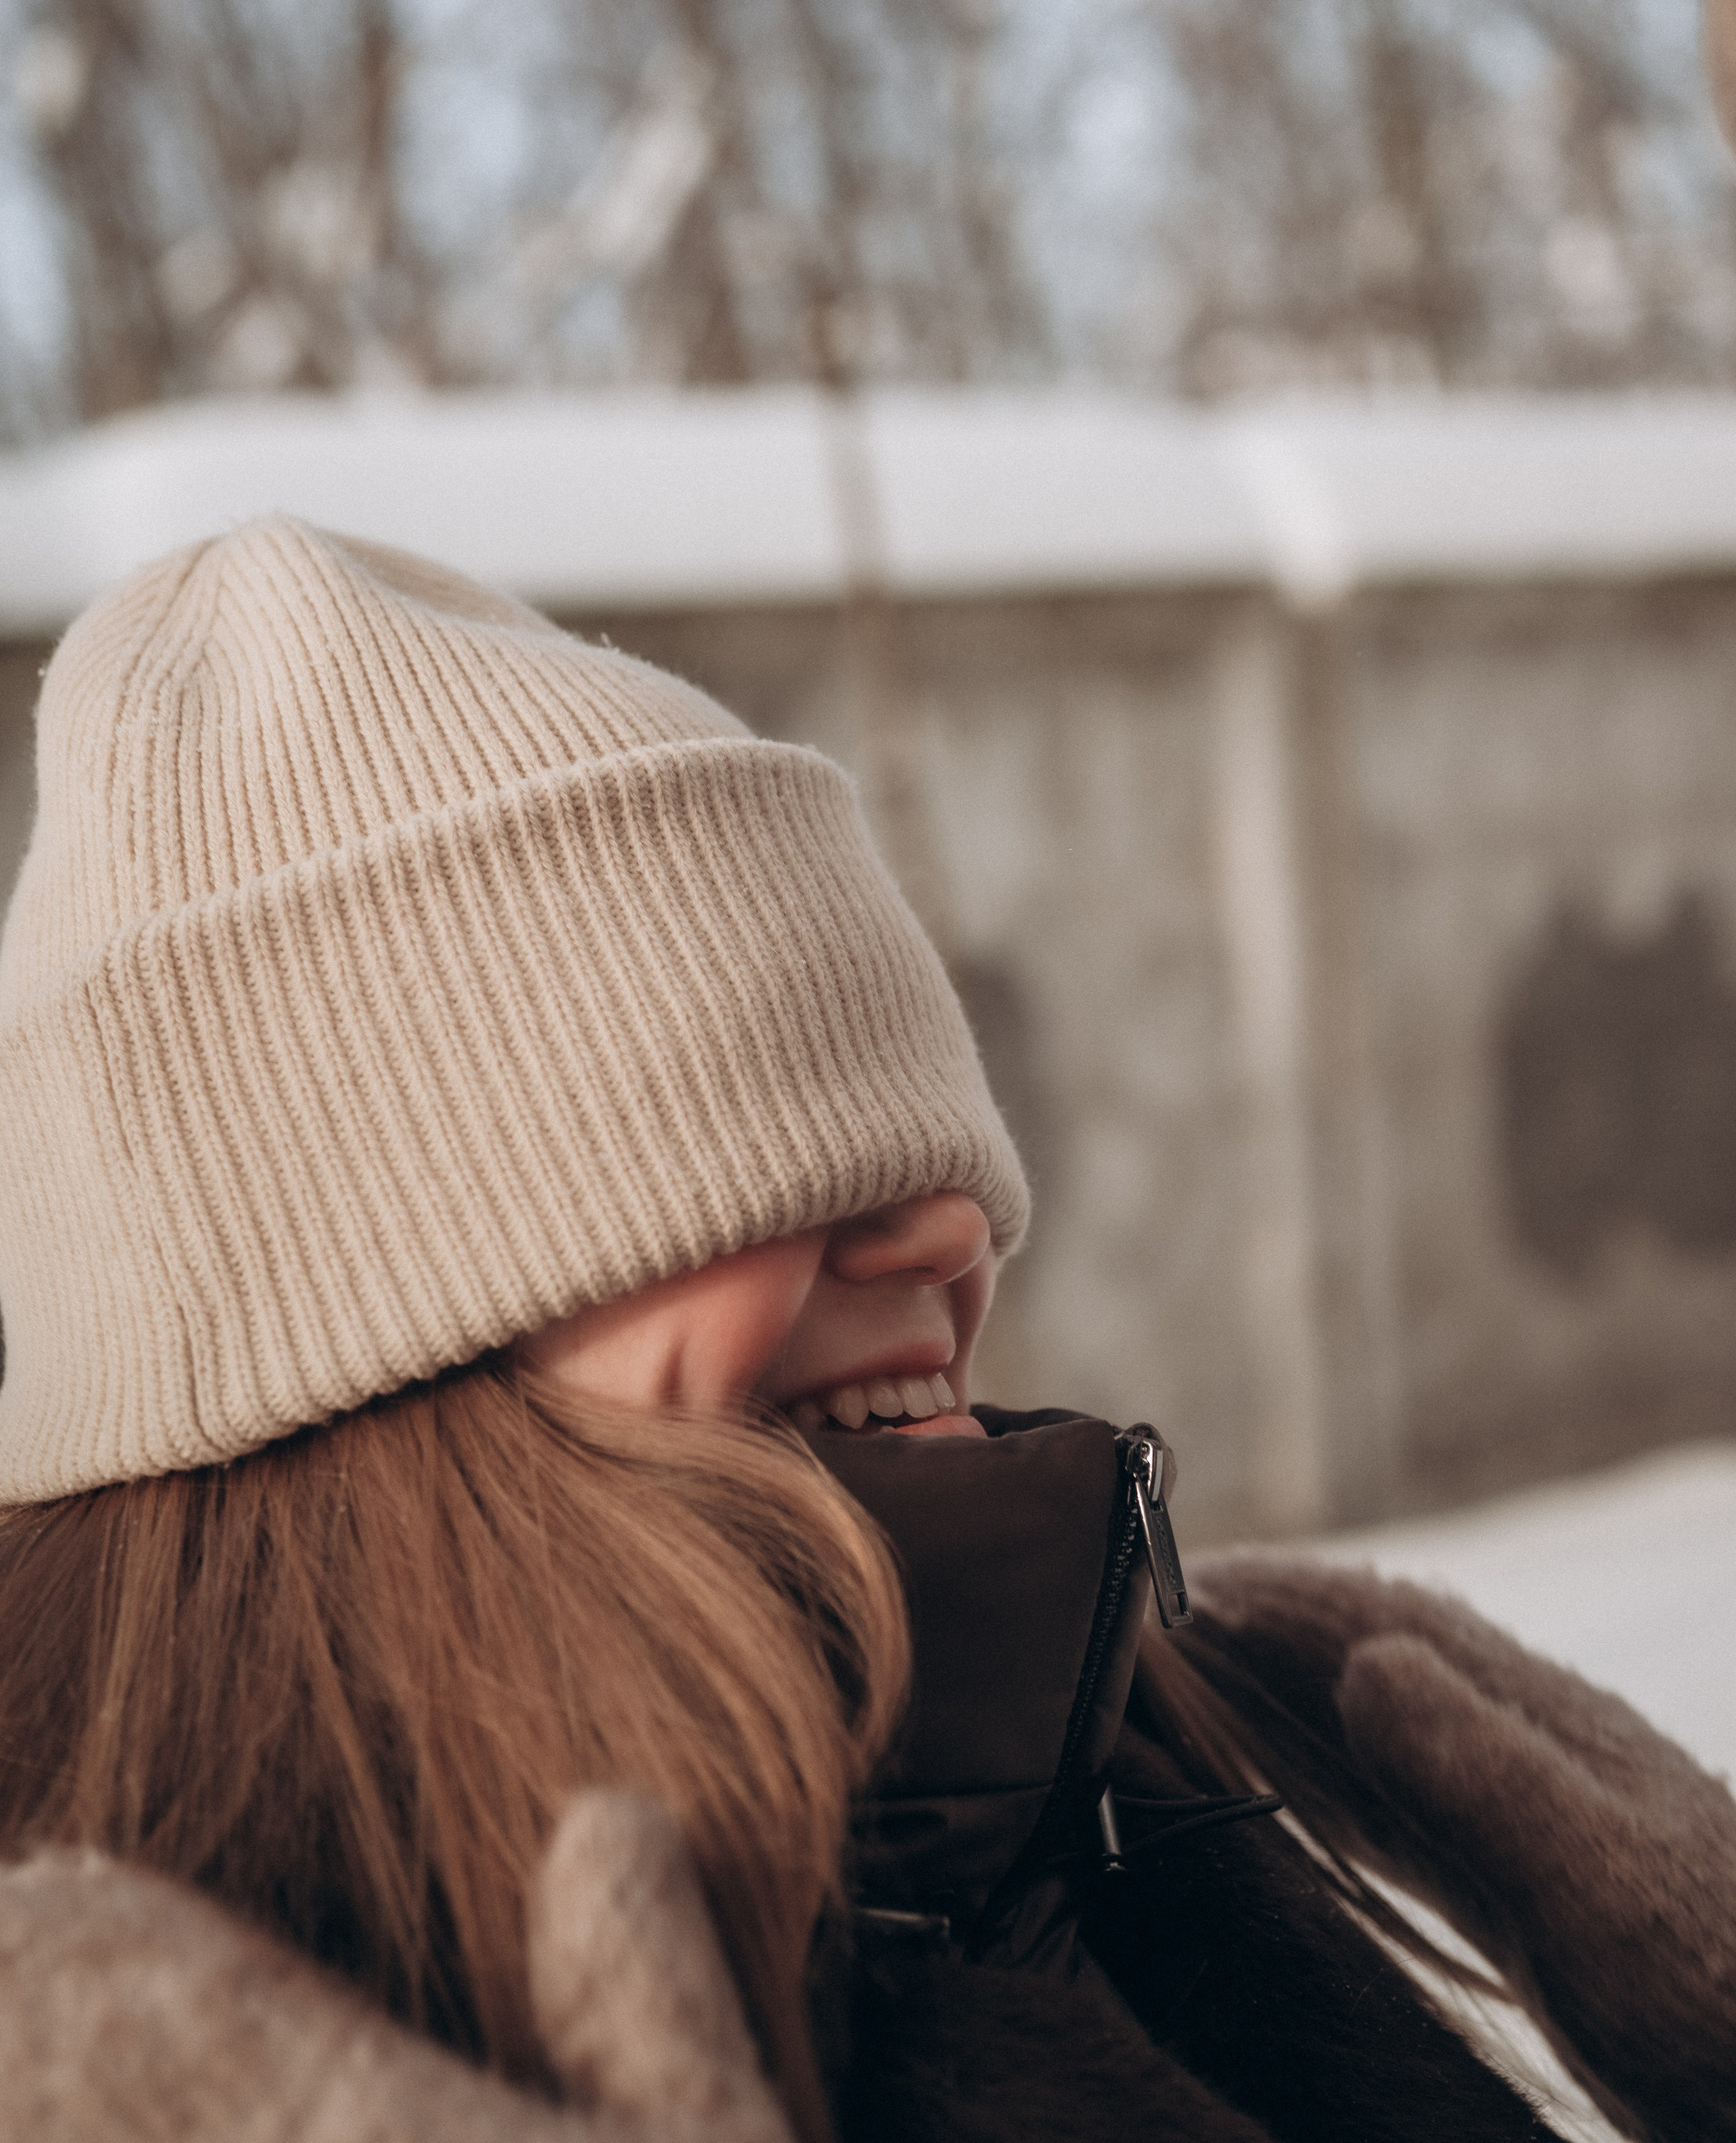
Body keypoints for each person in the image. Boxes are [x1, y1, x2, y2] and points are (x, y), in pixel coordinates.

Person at [0, 519, 1731, 2143]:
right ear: (350, 1321)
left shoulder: (1130, 1823)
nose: (954, 1227)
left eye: (914, 1142)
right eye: (737, 1143)